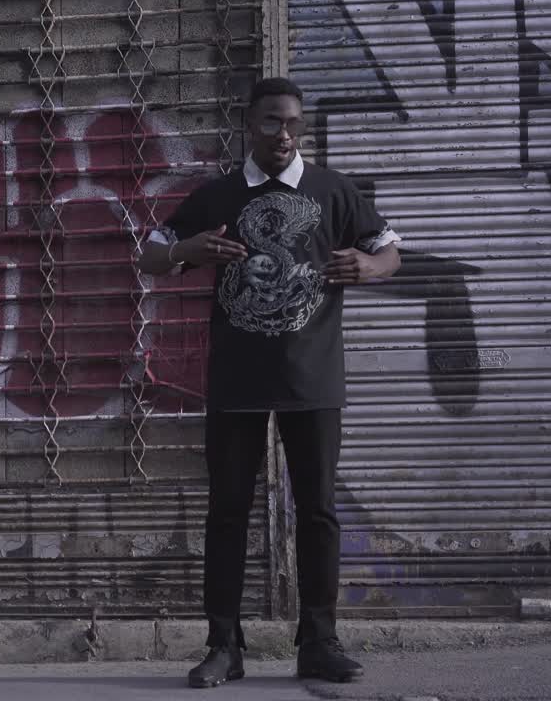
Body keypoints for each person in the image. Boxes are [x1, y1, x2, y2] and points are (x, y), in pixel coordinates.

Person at [135, 77, 402, 688]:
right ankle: (224, 646)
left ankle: (319, 641)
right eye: (270, 123)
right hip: (236, 381)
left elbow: (389, 249)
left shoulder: (333, 190)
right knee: (226, 513)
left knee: (319, 513)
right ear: (248, 127)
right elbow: (151, 253)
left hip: (314, 380)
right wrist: (188, 251)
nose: (283, 135)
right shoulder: (219, 194)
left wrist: (369, 266)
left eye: (292, 125)